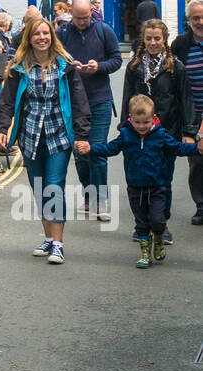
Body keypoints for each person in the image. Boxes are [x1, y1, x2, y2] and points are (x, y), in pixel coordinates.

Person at [0, 17, 90, 265]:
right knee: (39, 189)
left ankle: (58, 244)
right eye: (36, 34)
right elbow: (6, 101)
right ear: (29, 38)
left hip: (58, 134)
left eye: (45, 33)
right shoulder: (19, 67)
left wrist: (82, 134)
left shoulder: (65, 66)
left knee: (54, 185)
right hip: (30, 136)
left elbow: (79, 101)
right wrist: (2, 128)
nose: (41, 38)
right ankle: (48, 237)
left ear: (52, 36)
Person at [77, 97, 203, 268]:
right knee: (141, 222)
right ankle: (145, 254)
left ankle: (158, 239)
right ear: (130, 118)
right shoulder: (126, 135)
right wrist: (91, 148)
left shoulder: (160, 135)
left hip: (158, 186)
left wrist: (196, 148)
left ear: (154, 118)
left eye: (146, 122)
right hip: (135, 187)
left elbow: (178, 148)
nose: (142, 126)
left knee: (158, 221)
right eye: (137, 122)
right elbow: (110, 148)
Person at [121, 19, 197, 244]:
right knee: (138, 180)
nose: (153, 42)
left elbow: (185, 99)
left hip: (166, 133)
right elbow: (127, 99)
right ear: (143, 40)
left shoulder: (176, 67)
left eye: (157, 38)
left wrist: (189, 131)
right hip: (138, 134)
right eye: (149, 38)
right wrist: (125, 128)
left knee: (163, 181)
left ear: (165, 40)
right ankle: (141, 225)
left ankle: (161, 225)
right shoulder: (134, 67)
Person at [57, 0, 122, 221]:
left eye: (86, 17)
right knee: (80, 153)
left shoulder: (104, 31)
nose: (82, 22)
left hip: (100, 100)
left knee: (97, 151)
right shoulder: (62, 33)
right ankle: (88, 196)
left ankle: (100, 201)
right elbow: (54, 61)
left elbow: (116, 60)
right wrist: (68, 66)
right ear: (71, 13)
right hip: (74, 103)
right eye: (78, 18)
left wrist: (99, 67)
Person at [170, 0, 203, 225]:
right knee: (197, 163)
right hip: (192, 114)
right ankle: (201, 205)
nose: (200, 21)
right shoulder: (181, 44)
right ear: (188, 20)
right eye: (195, 18)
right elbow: (172, 78)